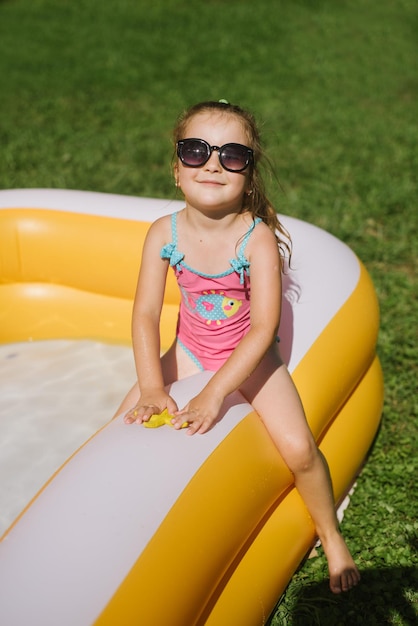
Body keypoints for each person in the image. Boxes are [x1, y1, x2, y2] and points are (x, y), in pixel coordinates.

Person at [115, 100, 361, 594]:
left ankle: (331, 535)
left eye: (231, 155)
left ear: (248, 175)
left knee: (299, 450)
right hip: (188, 347)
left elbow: (262, 327)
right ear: (176, 168)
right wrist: (150, 385)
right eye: (195, 150)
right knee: (118, 431)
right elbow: (144, 313)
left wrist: (214, 394)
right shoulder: (164, 233)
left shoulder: (256, 239)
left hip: (250, 358)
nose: (211, 163)